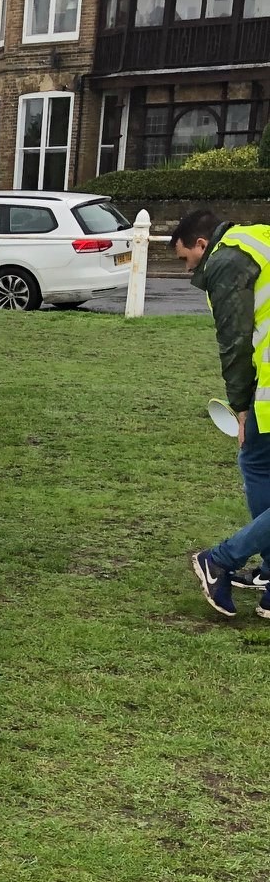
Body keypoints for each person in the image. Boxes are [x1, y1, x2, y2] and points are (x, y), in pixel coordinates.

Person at [174, 208, 270, 618]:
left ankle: (222, 560)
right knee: (257, 464)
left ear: (201, 244)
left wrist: (241, 407)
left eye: (185, 259)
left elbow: (234, 341)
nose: (187, 269)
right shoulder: (257, 237)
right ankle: (230, 562)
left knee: (257, 464)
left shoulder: (227, 259)